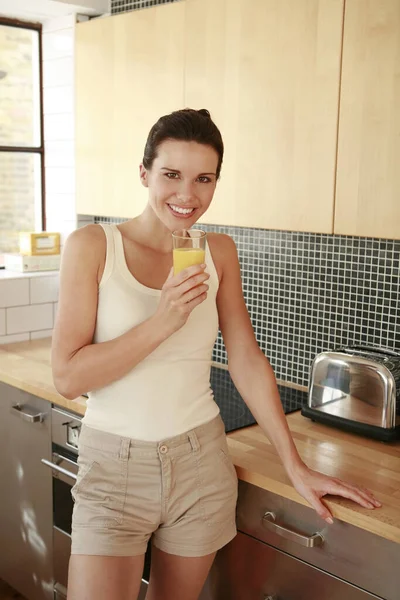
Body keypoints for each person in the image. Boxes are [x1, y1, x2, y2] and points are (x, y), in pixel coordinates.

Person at [52, 108, 381, 600]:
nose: (187, 195)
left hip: (200, 464)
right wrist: (164, 320)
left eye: (203, 179)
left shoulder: (219, 251)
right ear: (144, 174)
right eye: (171, 175)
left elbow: (245, 358)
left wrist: (294, 464)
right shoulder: (94, 247)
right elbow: (68, 377)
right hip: (113, 466)